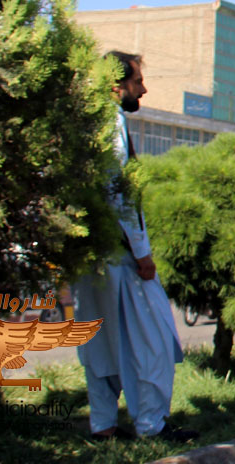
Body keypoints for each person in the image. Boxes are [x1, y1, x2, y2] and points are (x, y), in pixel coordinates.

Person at [74, 52, 197, 442]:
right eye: (137, 81)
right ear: (116, 84)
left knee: (99, 344)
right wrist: (142, 254)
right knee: (153, 341)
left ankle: (103, 425)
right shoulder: (110, 121)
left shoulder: (79, 120)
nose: (142, 88)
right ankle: (151, 425)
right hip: (119, 255)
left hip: (86, 256)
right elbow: (119, 194)